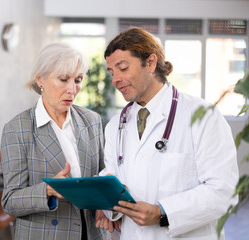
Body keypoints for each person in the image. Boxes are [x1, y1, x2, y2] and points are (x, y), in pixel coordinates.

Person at [95, 27, 239, 239]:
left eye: (123, 68)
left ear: (151, 63)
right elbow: (112, 176)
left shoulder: (202, 116)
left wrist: (162, 212)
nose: (116, 79)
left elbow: (224, 191)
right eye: (111, 72)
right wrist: (106, 205)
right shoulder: (116, 125)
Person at [1, 42, 111, 240]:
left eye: (78, 80)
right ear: (40, 79)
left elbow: (102, 175)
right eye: (63, 79)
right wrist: (48, 190)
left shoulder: (92, 121)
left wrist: (105, 199)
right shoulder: (17, 129)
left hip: (93, 232)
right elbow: (10, 201)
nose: (72, 89)